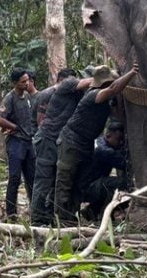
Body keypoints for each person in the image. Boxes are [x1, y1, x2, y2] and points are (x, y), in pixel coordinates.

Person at [54, 64, 139, 223]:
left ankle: (72, 219)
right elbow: (114, 89)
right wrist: (132, 73)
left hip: (85, 145)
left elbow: (120, 116)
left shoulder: (105, 103)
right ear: (104, 84)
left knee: (79, 184)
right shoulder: (92, 95)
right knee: (65, 183)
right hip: (71, 143)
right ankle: (61, 222)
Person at [29, 68, 91, 225]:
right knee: (44, 180)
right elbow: (39, 121)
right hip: (47, 139)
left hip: (61, 141)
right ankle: (37, 221)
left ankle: (51, 216)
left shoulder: (77, 94)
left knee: (58, 180)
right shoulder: (61, 88)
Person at [0, 68, 37, 220]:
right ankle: (11, 213)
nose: (26, 83)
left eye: (28, 80)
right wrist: (14, 127)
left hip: (28, 142)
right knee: (15, 178)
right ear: (15, 82)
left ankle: (35, 209)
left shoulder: (28, 97)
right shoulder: (10, 98)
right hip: (16, 142)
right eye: (23, 81)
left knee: (32, 177)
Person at [78, 122, 130, 220]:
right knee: (123, 183)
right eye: (118, 139)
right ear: (108, 135)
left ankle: (93, 210)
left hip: (88, 186)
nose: (120, 143)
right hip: (88, 188)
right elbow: (124, 164)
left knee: (108, 184)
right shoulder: (104, 151)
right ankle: (105, 215)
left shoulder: (99, 142)